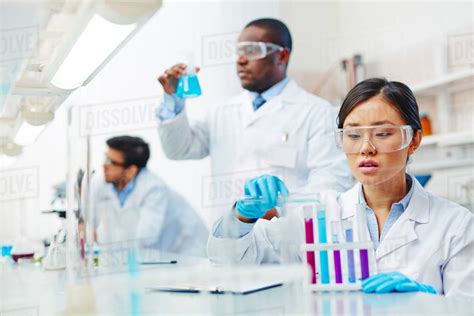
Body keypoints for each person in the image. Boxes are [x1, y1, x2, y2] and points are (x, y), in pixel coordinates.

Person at [207, 78, 474, 297]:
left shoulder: (456, 225)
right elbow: (229, 262)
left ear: (414, 140)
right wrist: (242, 215)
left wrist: (429, 303)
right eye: (353, 135)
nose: (366, 148)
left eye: (382, 134)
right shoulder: (318, 215)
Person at [156, 18, 353, 205]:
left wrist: (282, 208)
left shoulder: (317, 113)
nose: (241, 60)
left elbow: (331, 183)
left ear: (282, 56)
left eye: (252, 50)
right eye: (239, 51)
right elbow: (178, 149)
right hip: (230, 235)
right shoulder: (221, 112)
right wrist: (173, 99)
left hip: (285, 235)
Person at [90, 136, 209, 257]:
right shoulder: (100, 183)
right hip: (154, 256)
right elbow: (87, 222)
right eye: (105, 158)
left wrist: (99, 236)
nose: (104, 166)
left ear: (131, 170)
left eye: (111, 162)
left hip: (187, 249)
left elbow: (145, 237)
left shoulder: (153, 189)